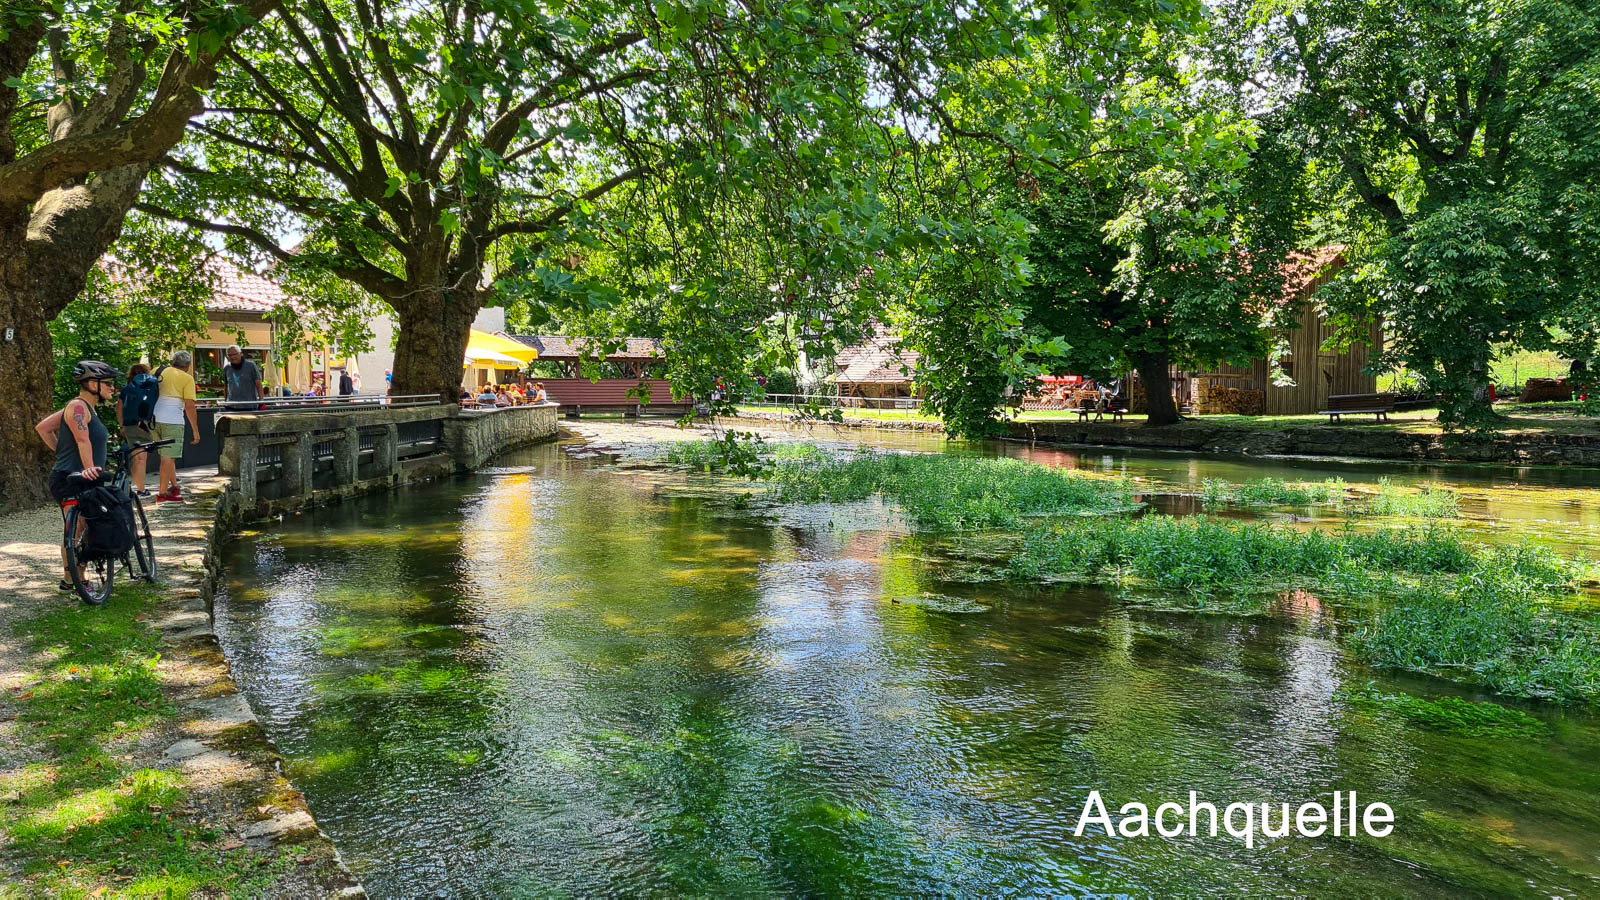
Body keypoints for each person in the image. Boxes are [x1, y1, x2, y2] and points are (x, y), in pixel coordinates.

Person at [35, 361, 119, 590]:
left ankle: (73, 578)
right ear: (93, 384)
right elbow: (83, 440)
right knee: (78, 527)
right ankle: (74, 579)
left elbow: (43, 428)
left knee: (83, 526)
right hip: (71, 478)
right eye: (109, 384)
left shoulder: (79, 408)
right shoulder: (78, 407)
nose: (113, 388)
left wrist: (62, 452)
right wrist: (89, 469)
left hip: (76, 474)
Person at [152, 350, 200, 503]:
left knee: (166, 456)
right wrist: (195, 430)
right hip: (172, 419)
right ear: (187, 365)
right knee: (168, 457)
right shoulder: (186, 378)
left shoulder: (157, 371)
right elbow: (190, 406)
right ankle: (162, 493)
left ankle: (174, 486)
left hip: (152, 419)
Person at [115, 363, 160, 497]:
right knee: (141, 458)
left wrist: (122, 425)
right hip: (145, 425)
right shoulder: (152, 388)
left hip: (130, 425)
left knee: (136, 457)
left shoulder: (127, 389)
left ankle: (138, 487)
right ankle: (140, 489)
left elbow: (119, 409)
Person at [221, 344, 265, 408]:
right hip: (231, 406)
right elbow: (226, 386)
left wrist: (261, 401)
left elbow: (258, 384)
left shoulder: (250, 365)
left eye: (235, 354)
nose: (232, 357)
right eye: (229, 355)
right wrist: (225, 401)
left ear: (241, 354)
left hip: (249, 405)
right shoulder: (227, 368)